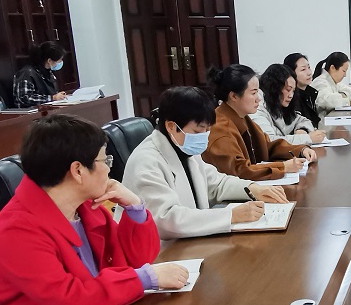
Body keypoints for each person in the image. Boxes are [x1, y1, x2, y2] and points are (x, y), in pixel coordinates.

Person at [0, 114, 187, 305]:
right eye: (105, 160)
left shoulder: (86, 208)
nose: (109, 168)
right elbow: (69, 299)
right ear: (78, 170)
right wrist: (145, 278)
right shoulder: (16, 229)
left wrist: (135, 208)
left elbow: (136, 260)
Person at [123, 86, 290, 240]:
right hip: (161, 252)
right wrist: (231, 215)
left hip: (190, 242)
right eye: (198, 131)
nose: (204, 136)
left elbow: (216, 183)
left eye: (207, 130)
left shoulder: (183, 147)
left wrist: (252, 188)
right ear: (171, 126)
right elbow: (166, 219)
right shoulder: (146, 162)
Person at [204, 64, 314, 181]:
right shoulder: (221, 128)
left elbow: (267, 145)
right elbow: (239, 170)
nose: (258, 98)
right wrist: (283, 167)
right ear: (234, 96)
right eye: (253, 93)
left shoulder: (242, 117)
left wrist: (301, 150)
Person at [254, 64, 327, 146]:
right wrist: (307, 138)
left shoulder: (279, 104)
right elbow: (269, 141)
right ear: (274, 87)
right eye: (288, 90)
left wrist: (302, 129)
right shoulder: (257, 107)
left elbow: (302, 120)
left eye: (293, 91)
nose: (291, 95)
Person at [13, 40, 68, 108]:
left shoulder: (48, 72)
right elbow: (25, 98)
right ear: (49, 61)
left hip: (47, 109)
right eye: (59, 60)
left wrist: (58, 96)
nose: (61, 62)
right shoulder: (27, 73)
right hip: (31, 112)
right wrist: (53, 97)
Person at [284, 52, 323, 127]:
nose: (309, 73)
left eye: (309, 67)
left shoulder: (311, 93)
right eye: (303, 69)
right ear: (291, 73)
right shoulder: (291, 98)